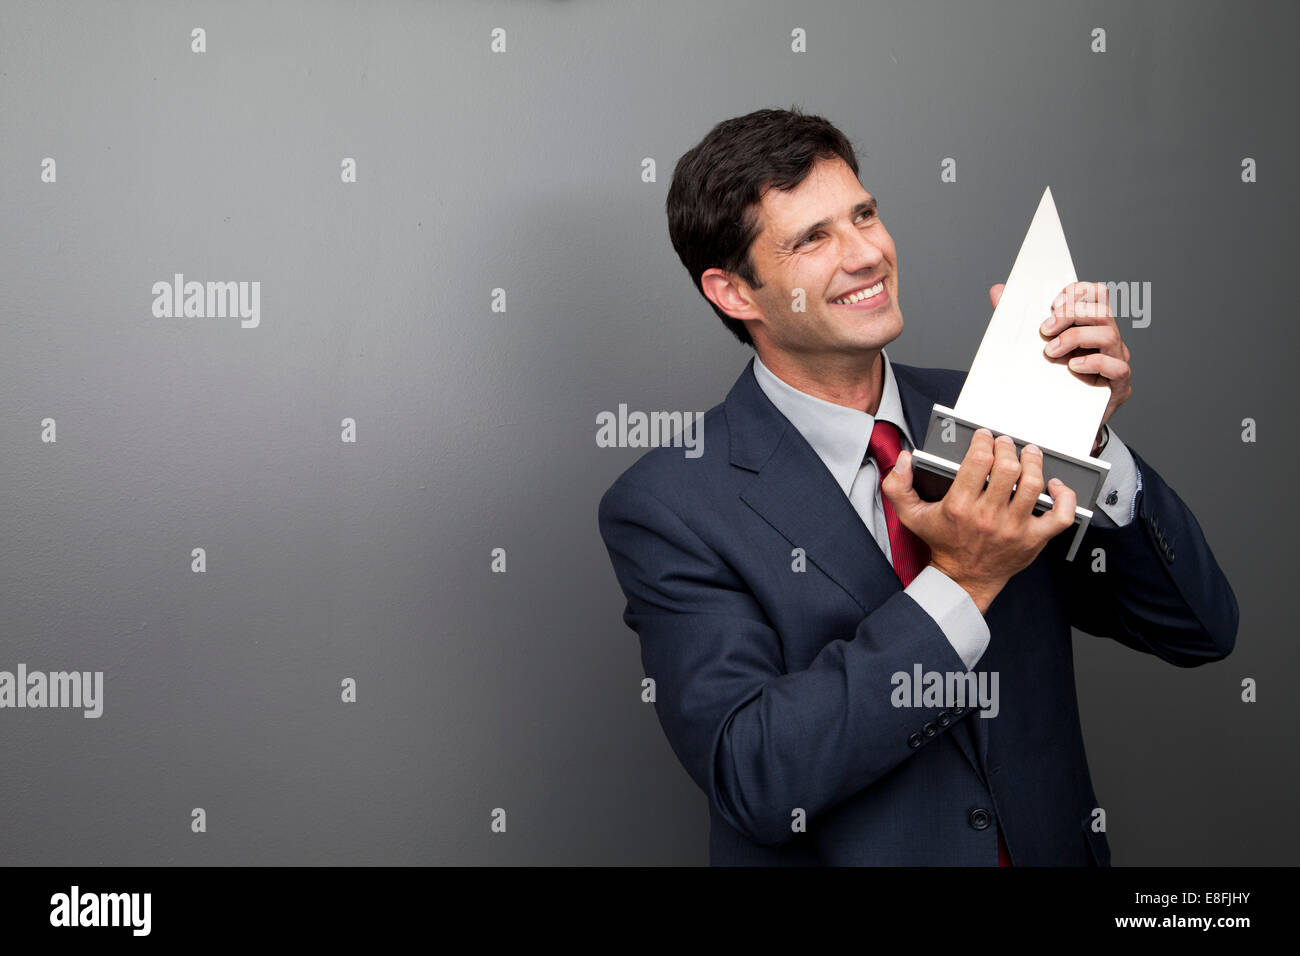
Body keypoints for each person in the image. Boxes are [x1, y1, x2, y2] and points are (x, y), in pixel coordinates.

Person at [597, 107, 1237, 866]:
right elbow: (758, 777)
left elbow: (1198, 631)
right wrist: (962, 583)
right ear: (735, 292)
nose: (867, 253)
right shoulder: (670, 505)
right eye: (814, 238)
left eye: (864, 214)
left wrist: (1091, 439)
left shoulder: (997, 413)